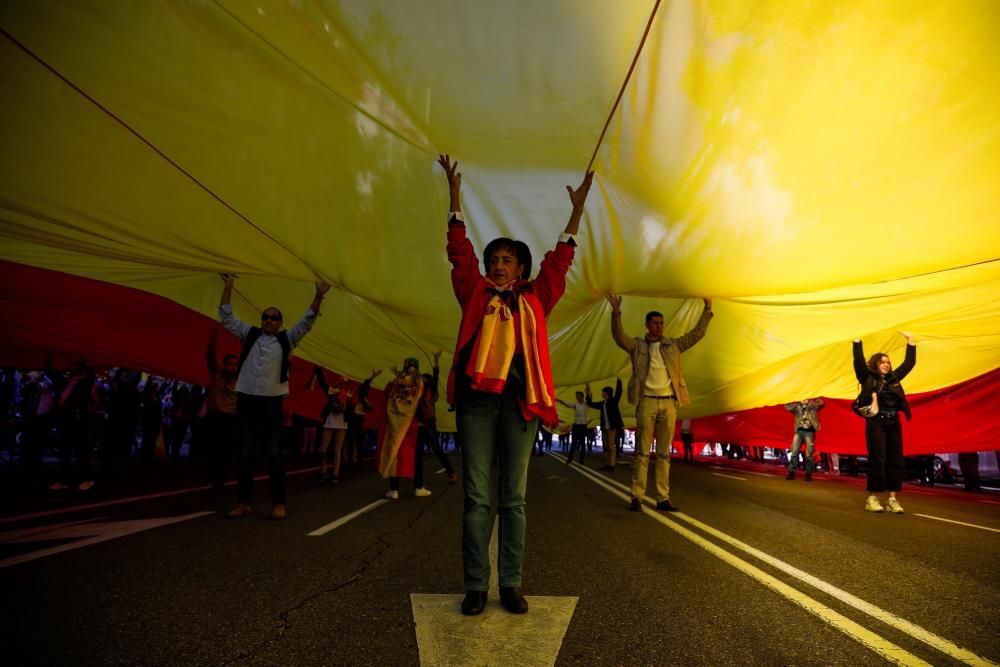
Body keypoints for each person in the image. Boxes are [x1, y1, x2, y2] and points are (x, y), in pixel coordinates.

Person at [439, 154, 593, 616]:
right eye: (494, 260)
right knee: (477, 496)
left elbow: (560, 260)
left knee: (514, 499)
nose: (499, 265)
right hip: (476, 406)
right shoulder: (474, 292)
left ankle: (510, 584)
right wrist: (454, 197)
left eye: (508, 260)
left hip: (520, 407)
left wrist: (576, 211)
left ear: (521, 269)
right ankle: (474, 585)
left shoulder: (536, 297)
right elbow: (458, 251)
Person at [220, 273, 329, 519]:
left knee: (273, 452)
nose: (269, 320)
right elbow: (226, 316)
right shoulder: (249, 334)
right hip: (246, 397)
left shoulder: (287, 339)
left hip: (271, 401)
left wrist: (319, 295)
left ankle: (278, 503)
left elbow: (308, 321)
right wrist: (229, 285)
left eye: (274, 317)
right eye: (265, 317)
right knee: (245, 452)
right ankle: (243, 503)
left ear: (280, 322)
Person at [608, 294, 714, 512]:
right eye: (655, 323)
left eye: (661, 323)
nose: (659, 326)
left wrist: (707, 310)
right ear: (647, 325)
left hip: (668, 403)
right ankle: (636, 496)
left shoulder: (673, 345)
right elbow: (619, 337)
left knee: (664, 454)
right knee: (642, 452)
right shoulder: (637, 345)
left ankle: (663, 498)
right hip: (646, 402)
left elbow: (697, 334)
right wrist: (616, 311)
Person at [853, 332, 916, 514]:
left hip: (894, 422)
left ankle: (892, 499)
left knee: (895, 460)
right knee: (877, 459)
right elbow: (858, 361)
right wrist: (857, 341)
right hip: (876, 423)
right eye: (882, 362)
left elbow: (909, 364)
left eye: (888, 362)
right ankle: (872, 498)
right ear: (875, 364)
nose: (886, 365)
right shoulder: (867, 378)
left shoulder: (894, 379)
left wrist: (911, 341)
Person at [377, 358, 426, 498]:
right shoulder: (419, 382)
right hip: (413, 425)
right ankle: (418, 487)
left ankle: (394, 490)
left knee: (394, 453)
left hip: (395, 424)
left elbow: (386, 395)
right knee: (416, 457)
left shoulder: (396, 382)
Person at [415, 351, 458, 486]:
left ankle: (451, 472)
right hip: (419, 425)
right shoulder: (417, 394)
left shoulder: (432, 394)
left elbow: (436, 377)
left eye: (424, 380)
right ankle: (418, 481)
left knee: (437, 450)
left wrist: (436, 362)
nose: (422, 381)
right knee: (418, 453)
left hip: (429, 425)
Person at [204, 326, 239, 491]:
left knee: (224, 452)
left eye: (235, 364)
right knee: (212, 449)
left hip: (229, 420)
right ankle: (214, 478)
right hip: (214, 417)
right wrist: (214, 333)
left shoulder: (241, 381)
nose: (232, 366)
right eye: (230, 363)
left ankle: (219, 481)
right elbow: (209, 355)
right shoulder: (217, 374)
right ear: (224, 364)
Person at [310, 367, 350, 483]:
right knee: (324, 450)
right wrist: (319, 371)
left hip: (341, 425)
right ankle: (323, 471)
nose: (341, 384)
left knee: (337, 450)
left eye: (343, 382)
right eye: (340, 382)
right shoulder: (331, 392)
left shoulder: (348, 396)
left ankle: (335, 474)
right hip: (329, 423)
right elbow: (323, 383)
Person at [586, 379, 624, 472]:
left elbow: (619, 392)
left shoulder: (613, 401)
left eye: (602, 392)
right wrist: (588, 394)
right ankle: (607, 464)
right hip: (605, 427)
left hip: (612, 426)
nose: (601, 393)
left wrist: (619, 382)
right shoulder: (603, 403)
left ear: (606, 393)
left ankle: (611, 465)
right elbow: (590, 404)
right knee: (606, 447)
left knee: (611, 446)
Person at [784, 398, 825, 481]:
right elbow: (787, 406)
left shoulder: (812, 405)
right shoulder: (797, 407)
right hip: (799, 432)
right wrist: (792, 397)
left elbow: (822, 403)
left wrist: (813, 397)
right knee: (794, 452)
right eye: (802, 397)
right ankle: (791, 472)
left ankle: (808, 474)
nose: (804, 399)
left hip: (809, 432)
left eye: (805, 397)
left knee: (809, 454)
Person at [557, 390, 591, 465]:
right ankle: (569, 459)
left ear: (582, 396)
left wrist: (588, 390)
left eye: (578, 396)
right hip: (576, 426)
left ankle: (581, 460)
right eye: (576, 396)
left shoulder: (586, 404)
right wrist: (560, 401)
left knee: (582, 444)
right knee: (573, 444)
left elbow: (589, 398)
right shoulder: (575, 404)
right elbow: (568, 404)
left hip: (583, 426)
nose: (577, 397)